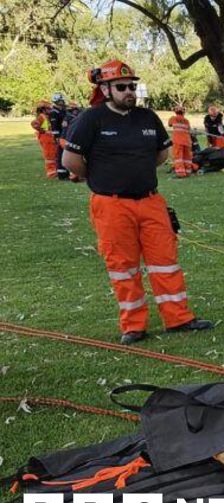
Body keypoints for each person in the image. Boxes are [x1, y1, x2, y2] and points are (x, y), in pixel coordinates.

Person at [62, 59, 214, 345]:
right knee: (123, 266)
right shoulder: (91, 119)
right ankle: (134, 325)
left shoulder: (147, 118)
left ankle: (178, 317)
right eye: (121, 87)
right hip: (111, 205)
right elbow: (70, 161)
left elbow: (160, 155)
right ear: (105, 90)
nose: (129, 91)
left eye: (132, 86)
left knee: (165, 262)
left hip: (150, 201)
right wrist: (102, 179)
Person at [30, 100, 58, 179]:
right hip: (46, 138)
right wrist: (41, 130)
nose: (50, 110)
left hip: (49, 138)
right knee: (49, 156)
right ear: (43, 109)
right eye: (48, 109)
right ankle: (51, 172)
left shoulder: (47, 116)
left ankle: (54, 170)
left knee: (54, 154)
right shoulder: (41, 116)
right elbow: (34, 124)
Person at [48, 94, 70, 180]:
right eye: (61, 100)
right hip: (60, 136)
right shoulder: (54, 112)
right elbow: (54, 126)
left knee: (66, 153)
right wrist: (57, 136)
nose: (63, 101)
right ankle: (62, 174)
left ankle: (67, 172)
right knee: (61, 154)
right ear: (57, 101)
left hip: (65, 134)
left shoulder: (62, 110)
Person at [168, 106, 194, 177]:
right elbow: (189, 130)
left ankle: (181, 173)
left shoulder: (173, 118)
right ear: (183, 112)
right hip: (187, 141)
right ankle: (188, 172)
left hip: (178, 141)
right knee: (187, 157)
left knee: (178, 157)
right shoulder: (186, 121)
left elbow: (169, 124)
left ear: (175, 112)